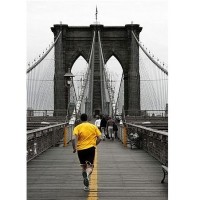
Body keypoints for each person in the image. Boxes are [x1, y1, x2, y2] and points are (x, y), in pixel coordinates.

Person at [72, 113, 102, 191]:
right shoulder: (93, 127)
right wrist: (95, 144)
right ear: (87, 118)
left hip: (80, 149)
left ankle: (86, 186)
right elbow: (100, 138)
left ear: (81, 119)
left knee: (83, 166)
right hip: (91, 148)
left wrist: (74, 148)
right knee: (90, 166)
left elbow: (73, 139)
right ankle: (87, 175)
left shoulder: (77, 127)